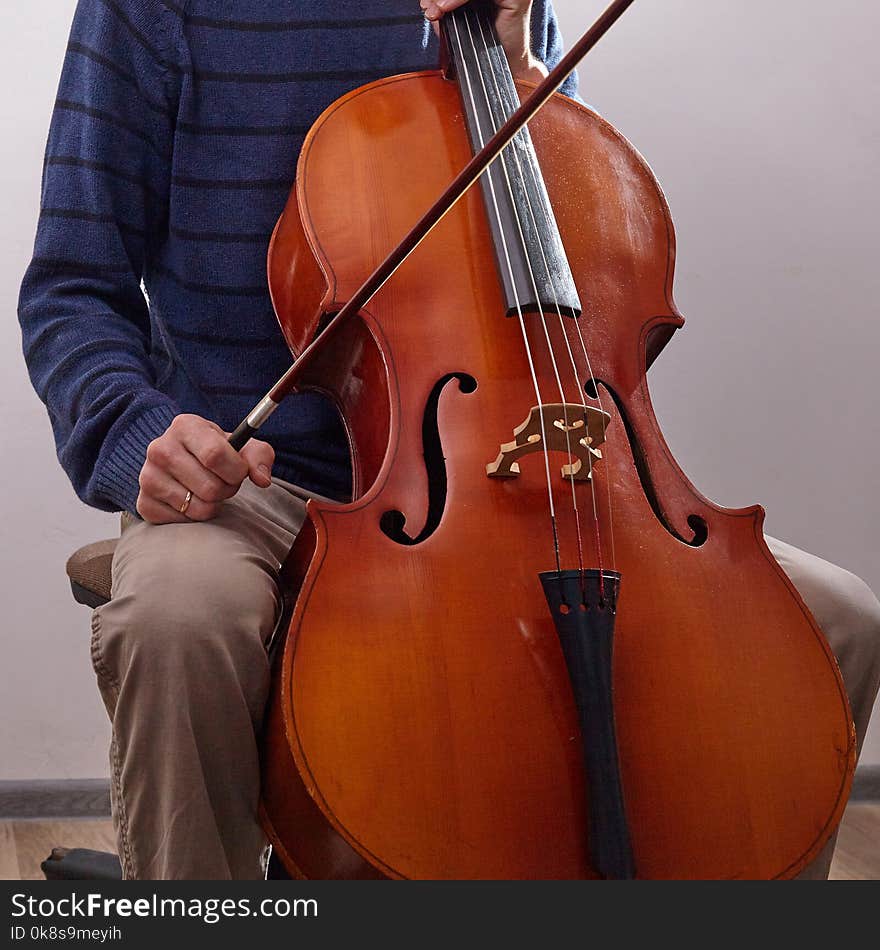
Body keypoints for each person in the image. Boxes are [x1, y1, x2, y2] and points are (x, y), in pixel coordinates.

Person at [17, 0, 880, 880]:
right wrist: (139, 436)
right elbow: (71, 288)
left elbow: (570, 246)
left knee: (837, 620)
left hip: (512, 467)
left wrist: (520, 71)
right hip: (253, 481)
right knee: (178, 619)